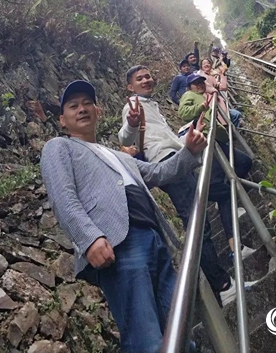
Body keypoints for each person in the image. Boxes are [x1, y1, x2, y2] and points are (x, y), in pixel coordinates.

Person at [40, 80, 207, 353]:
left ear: (98, 111)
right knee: (147, 339)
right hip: (119, 243)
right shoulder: (59, 147)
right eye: (73, 106)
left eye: (87, 104)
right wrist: (89, 238)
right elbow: (62, 197)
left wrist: (189, 151)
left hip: (154, 238)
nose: (81, 109)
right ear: (62, 120)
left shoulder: (120, 156)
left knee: (179, 331)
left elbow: (159, 173)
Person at [118, 66, 245, 306]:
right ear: (129, 86)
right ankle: (222, 286)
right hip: (166, 162)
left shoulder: (150, 104)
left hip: (175, 159)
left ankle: (221, 284)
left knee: (202, 214)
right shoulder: (132, 107)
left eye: (148, 75)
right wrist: (132, 124)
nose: (146, 79)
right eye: (139, 78)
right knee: (197, 222)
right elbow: (125, 136)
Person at [178, 73, 254, 260]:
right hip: (208, 145)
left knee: (243, 163)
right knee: (222, 186)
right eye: (195, 84)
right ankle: (234, 247)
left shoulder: (206, 94)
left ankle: (231, 205)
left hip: (217, 141)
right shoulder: (189, 96)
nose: (199, 85)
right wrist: (201, 106)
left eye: (200, 82)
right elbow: (183, 113)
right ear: (189, 87)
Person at [198, 58, 242, 128]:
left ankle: (231, 132)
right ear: (201, 67)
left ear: (211, 65)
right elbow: (207, 87)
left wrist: (222, 74)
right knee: (231, 117)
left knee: (236, 114)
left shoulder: (211, 77)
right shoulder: (200, 76)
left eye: (208, 63)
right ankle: (229, 133)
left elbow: (223, 87)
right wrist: (214, 91)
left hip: (218, 104)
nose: (206, 65)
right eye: (204, 64)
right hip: (210, 104)